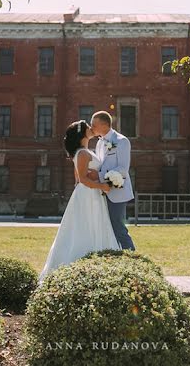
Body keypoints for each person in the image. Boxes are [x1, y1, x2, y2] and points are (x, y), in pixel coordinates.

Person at [38, 120, 119, 283]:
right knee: (85, 227)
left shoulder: (85, 151)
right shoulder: (82, 153)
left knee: (95, 225)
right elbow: (81, 179)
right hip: (87, 194)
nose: (92, 128)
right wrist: (102, 185)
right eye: (88, 127)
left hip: (92, 194)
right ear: (82, 133)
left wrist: (99, 180)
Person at [90, 110, 136, 251]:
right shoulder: (99, 143)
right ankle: (115, 254)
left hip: (118, 191)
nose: (91, 128)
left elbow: (122, 169)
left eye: (94, 125)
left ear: (104, 125)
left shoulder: (122, 141)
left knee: (118, 226)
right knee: (106, 227)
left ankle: (131, 256)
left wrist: (98, 177)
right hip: (102, 192)